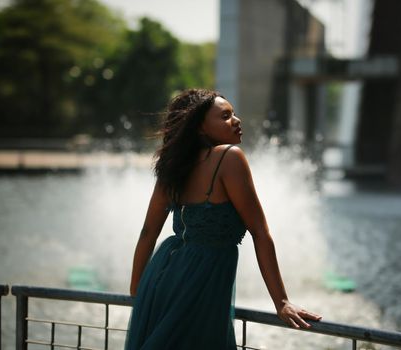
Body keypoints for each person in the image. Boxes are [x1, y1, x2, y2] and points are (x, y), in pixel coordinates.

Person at [125, 89, 322, 349]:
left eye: (234, 114)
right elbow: (260, 233)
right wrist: (281, 302)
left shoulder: (172, 165)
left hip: (161, 278)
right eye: (226, 116)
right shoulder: (229, 157)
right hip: (197, 286)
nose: (237, 120)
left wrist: (139, 290)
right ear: (200, 128)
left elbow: (148, 233)